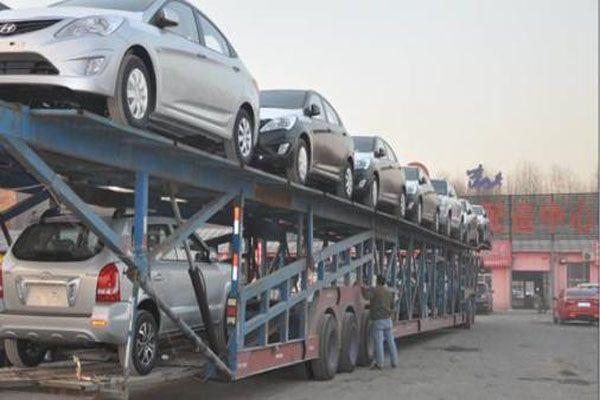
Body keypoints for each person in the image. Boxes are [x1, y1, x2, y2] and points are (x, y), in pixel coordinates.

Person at [362, 275, 398, 369]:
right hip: (388, 320)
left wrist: (363, 289)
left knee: (378, 343)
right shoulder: (388, 292)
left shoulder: (375, 290)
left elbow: (366, 297)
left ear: (377, 281)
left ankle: (379, 363)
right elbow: (393, 305)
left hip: (378, 320)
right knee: (391, 342)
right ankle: (394, 362)